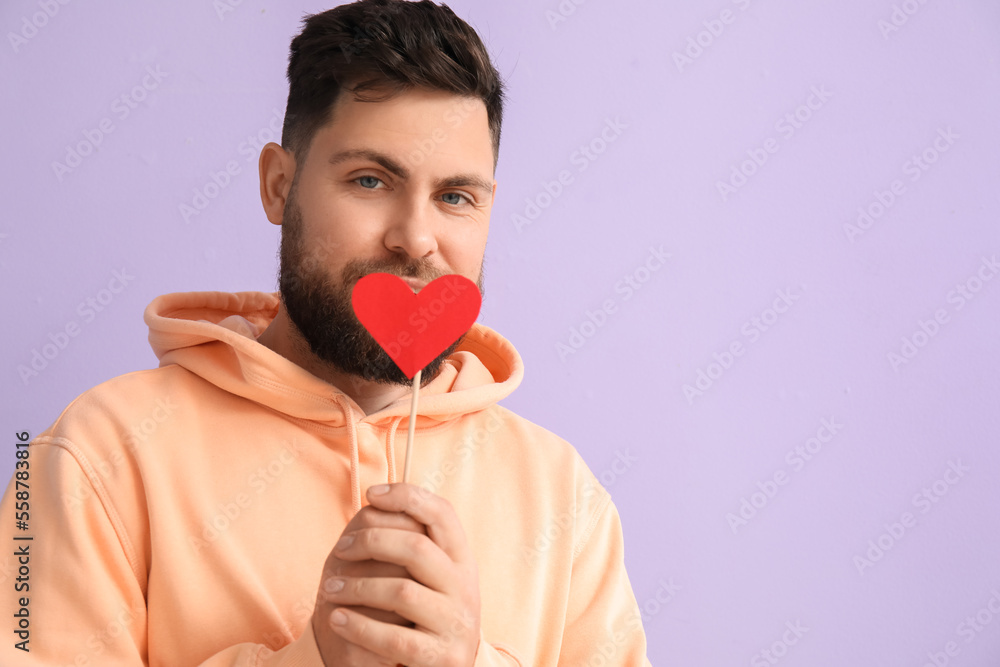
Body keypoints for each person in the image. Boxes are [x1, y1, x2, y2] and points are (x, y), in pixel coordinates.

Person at [0, 0, 652, 664]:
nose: (416, 239)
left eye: (455, 196)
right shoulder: (92, 455)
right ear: (280, 186)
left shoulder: (567, 498)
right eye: (370, 180)